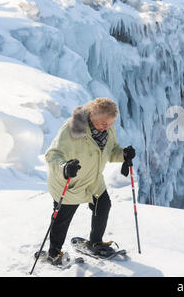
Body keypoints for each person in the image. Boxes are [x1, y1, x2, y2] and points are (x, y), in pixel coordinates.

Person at [44, 97, 136, 264]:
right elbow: (52, 155)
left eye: (110, 123)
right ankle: (54, 253)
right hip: (70, 181)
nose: (106, 127)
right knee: (62, 218)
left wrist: (123, 154)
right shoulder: (74, 128)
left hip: (93, 179)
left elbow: (111, 151)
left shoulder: (107, 129)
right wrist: (65, 167)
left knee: (103, 205)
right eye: (102, 122)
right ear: (92, 114)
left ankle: (95, 242)